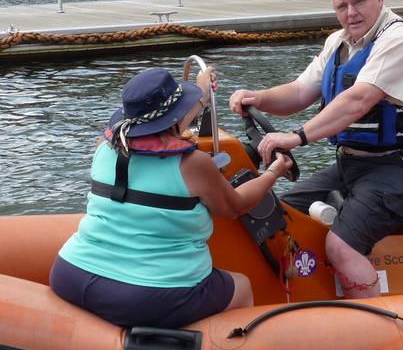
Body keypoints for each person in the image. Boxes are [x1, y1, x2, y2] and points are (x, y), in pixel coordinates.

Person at [228, 0, 403, 299]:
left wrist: (297, 137)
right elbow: (301, 91)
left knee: (341, 246)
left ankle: (376, 331)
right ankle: (298, 296)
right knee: (284, 211)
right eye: (341, 7)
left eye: (358, 2)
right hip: (354, 165)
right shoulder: (338, 42)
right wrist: (258, 98)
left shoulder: (401, 38)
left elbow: (358, 100)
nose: (351, 13)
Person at [50, 66, 294, 328]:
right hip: (145, 296)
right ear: (174, 119)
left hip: (70, 274)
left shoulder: (104, 147)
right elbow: (236, 206)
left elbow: (171, 123)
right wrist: (273, 172)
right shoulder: (192, 165)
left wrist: (202, 91)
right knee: (241, 285)